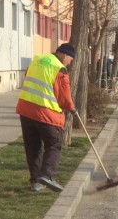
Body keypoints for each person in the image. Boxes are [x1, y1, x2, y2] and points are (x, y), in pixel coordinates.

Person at [16, 43, 77, 192]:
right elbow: (64, 97)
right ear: (63, 55)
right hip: (45, 113)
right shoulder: (59, 69)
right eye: (71, 58)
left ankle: (35, 182)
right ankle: (47, 176)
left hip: (25, 110)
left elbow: (29, 76)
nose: (70, 62)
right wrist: (72, 108)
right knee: (54, 143)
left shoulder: (37, 59)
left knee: (33, 147)